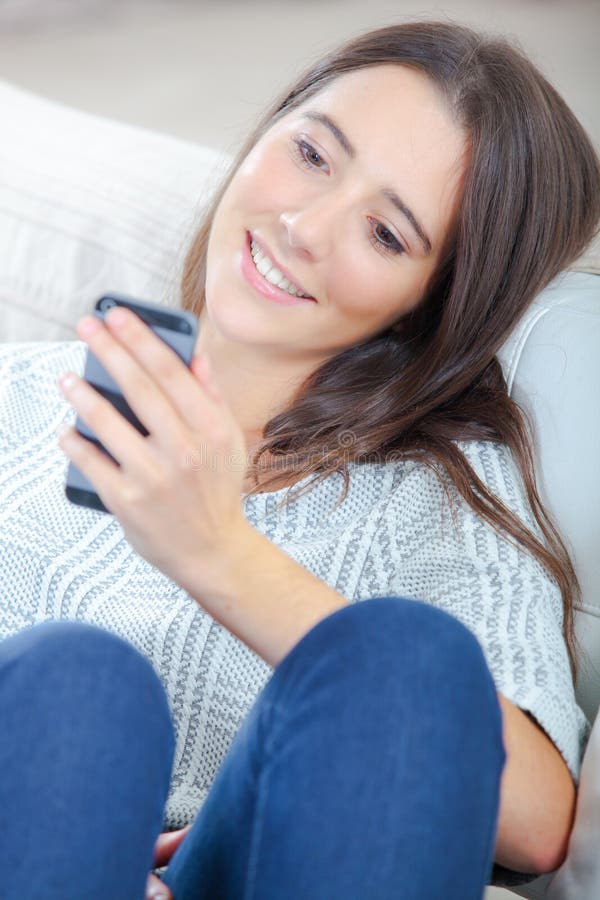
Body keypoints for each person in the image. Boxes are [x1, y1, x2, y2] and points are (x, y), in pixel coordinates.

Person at [0, 18, 599, 900]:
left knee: (403, 655)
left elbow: (542, 819)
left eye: (387, 234)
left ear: (430, 305)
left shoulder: (437, 504)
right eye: (314, 154)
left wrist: (216, 554)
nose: (304, 225)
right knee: (77, 688)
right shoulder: (17, 393)